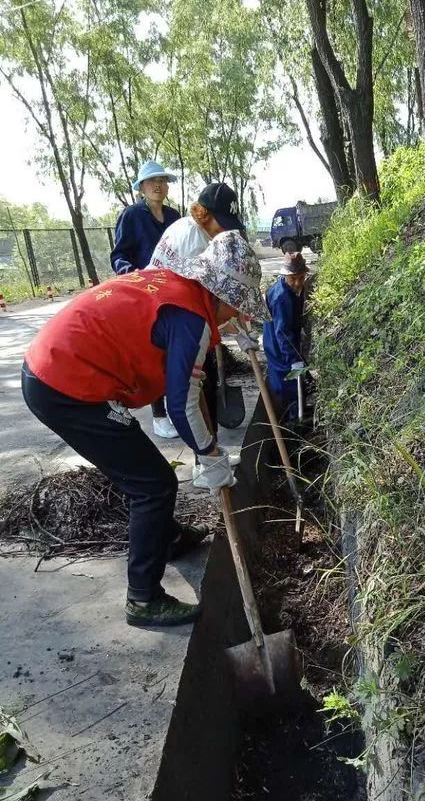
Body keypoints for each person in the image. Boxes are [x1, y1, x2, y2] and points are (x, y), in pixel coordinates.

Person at [22, 232, 262, 628]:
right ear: (222, 292)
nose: (238, 315)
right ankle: (144, 598)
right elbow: (179, 404)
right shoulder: (191, 318)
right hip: (64, 383)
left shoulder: (177, 286)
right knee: (152, 484)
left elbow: (189, 385)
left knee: (146, 471)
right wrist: (209, 454)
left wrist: (209, 446)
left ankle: (168, 538)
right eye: (238, 307)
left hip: (54, 364)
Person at [149, 182, 253, 487]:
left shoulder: (196, 230)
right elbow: (218, 295)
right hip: (174, 322)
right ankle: (205, 461)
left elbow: (223, 299)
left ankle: (209, 455)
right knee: (190, 395)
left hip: (178, 318)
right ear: (202, 213)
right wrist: (233, 328)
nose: (225, 233)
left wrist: (237, 328)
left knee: (200, 390)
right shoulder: (194, 241)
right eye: (223, 224)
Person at [110, 160, 182, 440]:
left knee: (176, 352)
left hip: (174, 291)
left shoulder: (174, 216)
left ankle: (180, 411)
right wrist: (135, 275)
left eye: (162, 180)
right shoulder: (132, 216)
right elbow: (119, 256)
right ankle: (159, 415)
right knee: (153, 352)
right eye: (152, 181)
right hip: (144, 294)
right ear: (141, 188)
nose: (158, 185)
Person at [262, 252, 309, 421]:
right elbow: (282, 333)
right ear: (285, 276)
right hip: (280, 348)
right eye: (293, 279)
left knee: (299, 383)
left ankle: (296, 415)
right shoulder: (282, 297)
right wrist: (293, 359)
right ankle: (293, 423)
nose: (297, 283)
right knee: (289, 386)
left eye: (301, 277)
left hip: (285, 344)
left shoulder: (293, 289)